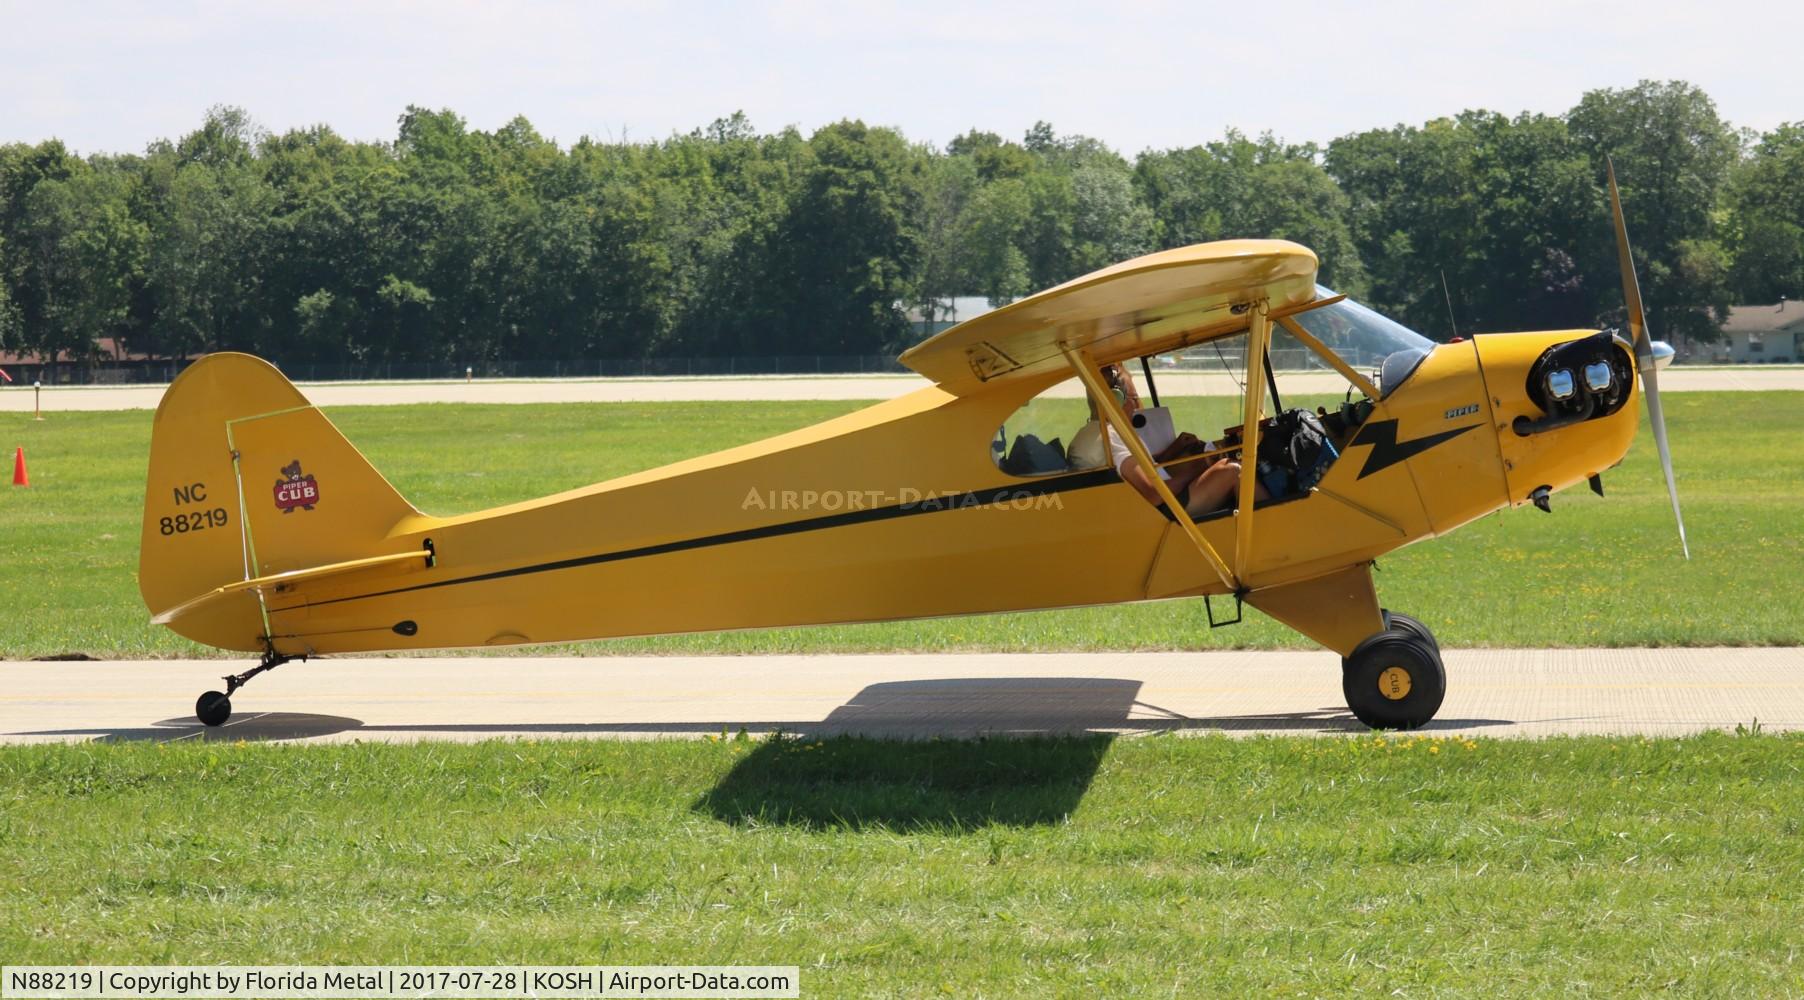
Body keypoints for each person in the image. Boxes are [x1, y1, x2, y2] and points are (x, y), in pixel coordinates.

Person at [1100, 364, 1265, 520]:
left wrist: (1174, 449)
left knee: (1220, 461)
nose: (1136, 406)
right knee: (1233, 471)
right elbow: (1154, 495)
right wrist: (1200, 468)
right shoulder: (1113, 436)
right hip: (1164, 510)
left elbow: (1144, 470)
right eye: (1134, 398)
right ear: (1115, 399)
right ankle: (1273, 527)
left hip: (1167, 498)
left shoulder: (1116, 432)